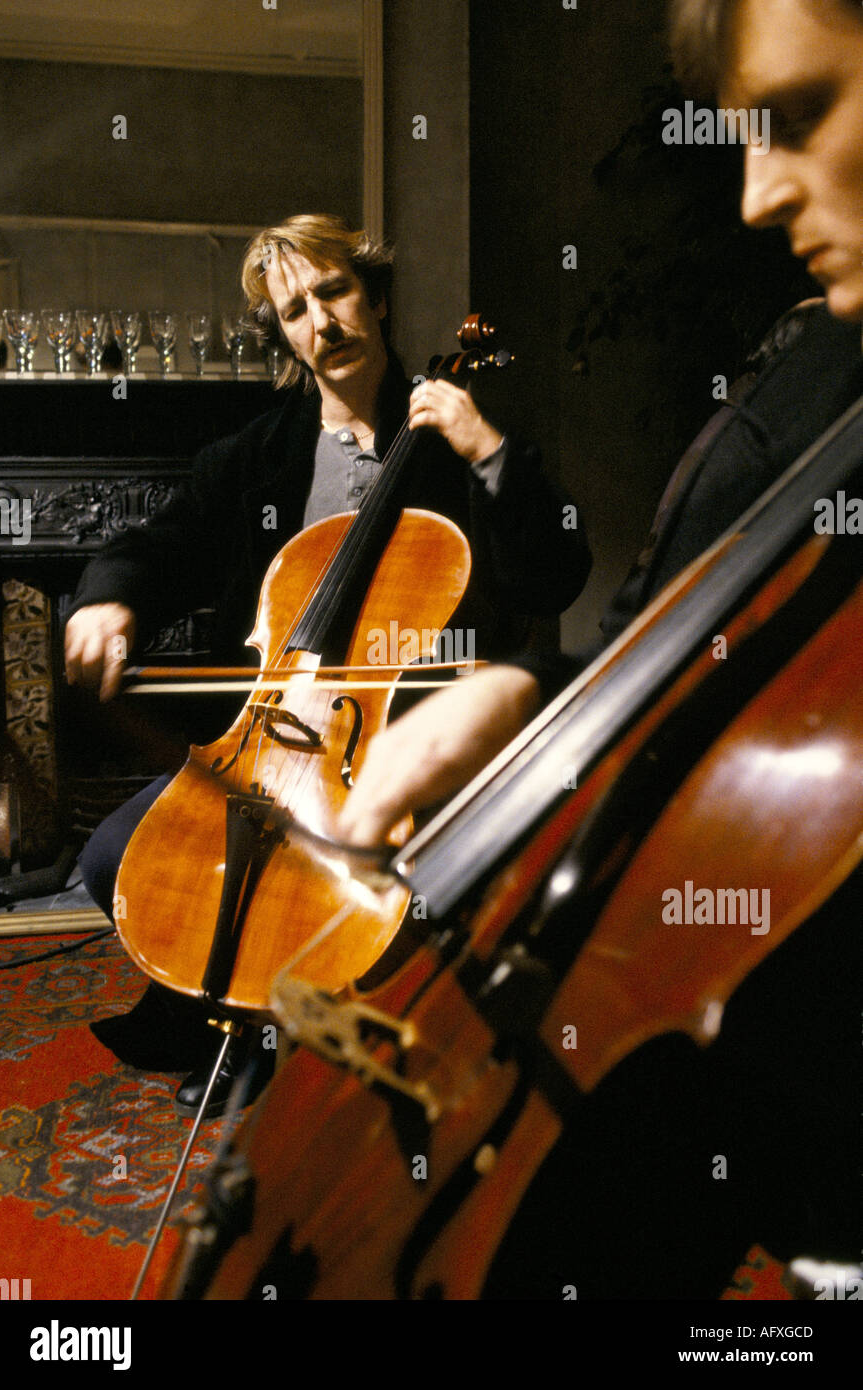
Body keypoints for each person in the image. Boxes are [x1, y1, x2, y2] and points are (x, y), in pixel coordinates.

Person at [336, 0, 863, 1297]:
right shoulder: (819, 371)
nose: (748, 197)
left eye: (793, 117)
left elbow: (558, 561)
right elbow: (702, 641)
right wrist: (529, 697)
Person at [64, 213, 591, 1115]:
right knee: (118, 854)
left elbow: (555, 568)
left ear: (376, 298)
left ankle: (306, 1030)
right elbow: (160, 544)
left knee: (351, 880)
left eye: (336, 292)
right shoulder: (256, 453)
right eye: (296, 308)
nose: (322, 321)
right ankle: (243, 1018)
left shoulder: (456, 437)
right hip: (271, 730)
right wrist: (109, 598)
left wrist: (487, 450)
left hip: (402, 737)